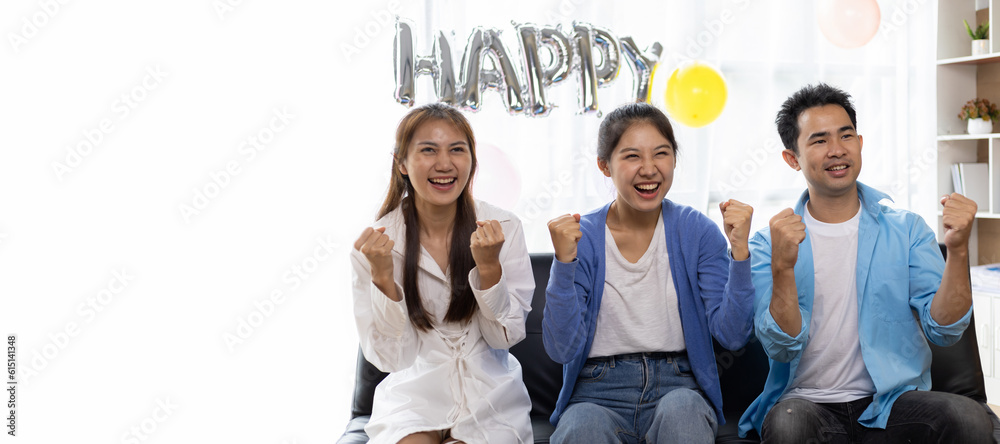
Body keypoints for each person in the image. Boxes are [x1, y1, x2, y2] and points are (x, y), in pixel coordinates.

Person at [737, 83, 994, 443]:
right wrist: (783, 267)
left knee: (970, 419)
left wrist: (959, 250)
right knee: (788, 425)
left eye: (846, 135)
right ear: (792, 158)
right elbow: (782, 347)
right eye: (819, 140)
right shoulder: (769, 243)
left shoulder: (907, 230)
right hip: (807, 405)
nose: (837, 150)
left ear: (860, 143)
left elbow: (945, 331)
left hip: (892, 405)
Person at [542, 102, 756, 444]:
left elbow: (733, 336)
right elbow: (561, 349)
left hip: (678, 384)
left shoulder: (696, 230)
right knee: (580, 428)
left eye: (661, 153)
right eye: (631, 156)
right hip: (596, 391)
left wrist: (740, 253)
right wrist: (563, 265)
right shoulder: (582, 237)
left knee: (684, 415)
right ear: (604, 165)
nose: (649, 169)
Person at [350, 103, 534, 444]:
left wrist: (490, 268)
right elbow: (393, 358)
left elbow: (505, 337)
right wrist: (383, 279)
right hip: (414, 395)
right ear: (402, 163)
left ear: (472, 161)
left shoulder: (505, 227)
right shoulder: (376, 245)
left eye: (457, 150)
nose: (444, 164)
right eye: (428, 150)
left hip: (489, 395)